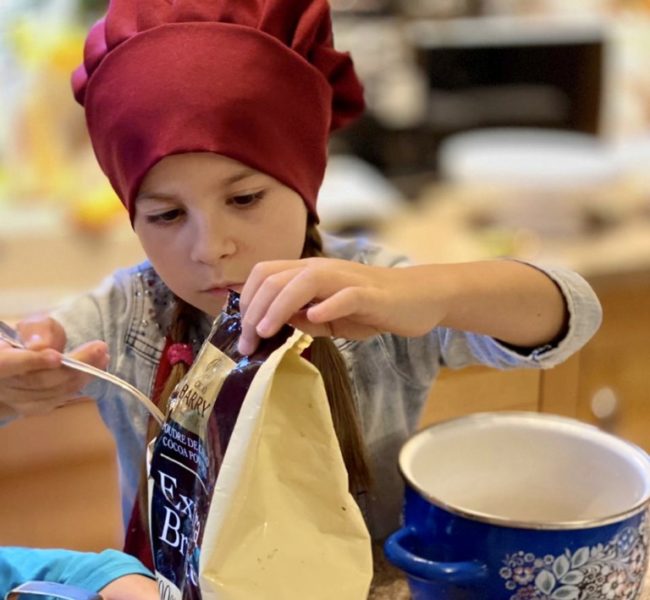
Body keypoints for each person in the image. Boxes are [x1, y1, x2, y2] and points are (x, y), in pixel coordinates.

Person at [0, 0, 601, 590]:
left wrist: (429, 292)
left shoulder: (369, 293)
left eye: (244, 199)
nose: (210, 248)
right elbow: (27, 349)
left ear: (305, 183)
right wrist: (19, 370)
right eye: (166, 214)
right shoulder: (126, 314)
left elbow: (573, 311)